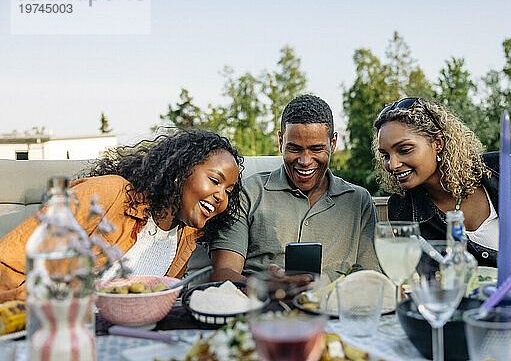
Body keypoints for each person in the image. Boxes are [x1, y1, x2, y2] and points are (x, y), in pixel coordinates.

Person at [0, 129, 242, 301]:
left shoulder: (186, 237)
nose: (221, 196)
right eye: (214, 181)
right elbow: (9, 261)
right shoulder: (108, 193)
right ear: (180, 171)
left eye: (228, 191)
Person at [374, 97, 511, 277]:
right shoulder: (402, 208)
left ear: (438, 143)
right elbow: (428, 280)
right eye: (385, 155)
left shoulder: (502, 170)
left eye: (404, 150)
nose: (392, 164)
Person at [210, 94, 380, 282]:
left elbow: (371, 278)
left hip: (334, 307)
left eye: (316, 149)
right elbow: (222, 275)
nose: (305, 161)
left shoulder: (358, 201)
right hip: (260, 305)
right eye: (294, 149)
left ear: (333, 143)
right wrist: (265, 287)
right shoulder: (248, 193)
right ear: (280, 141)